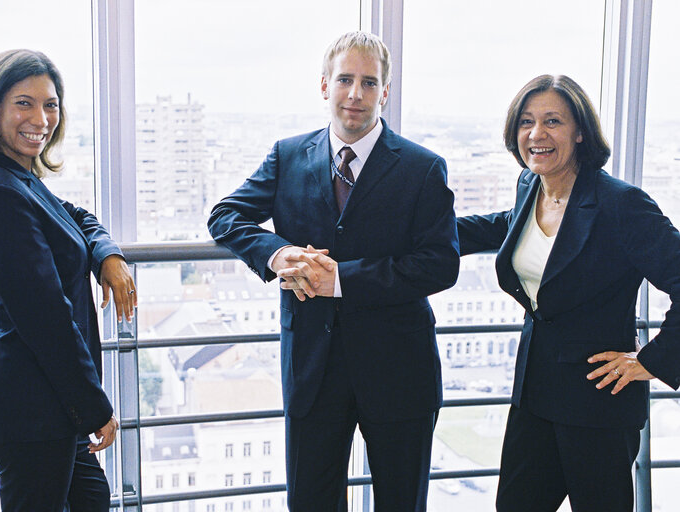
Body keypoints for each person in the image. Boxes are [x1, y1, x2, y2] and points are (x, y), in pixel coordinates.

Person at [208, 31, 459, 511]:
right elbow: (225, 215)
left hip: (398, 369)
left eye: (370, 83)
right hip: (312, 367)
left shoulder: (423, 169)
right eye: (345, 79)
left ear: (385, 92)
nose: (356, 94)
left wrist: (340, 280)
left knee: (401, 502)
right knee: (309, 502)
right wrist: (277, 254)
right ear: (324, 85)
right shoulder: (286, 156)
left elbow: (440, 264)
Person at [457, 74, 680, 511]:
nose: (536, 134)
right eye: (526, 121)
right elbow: (508, 227)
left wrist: (652, 362)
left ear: (580, 132)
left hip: (598, 405)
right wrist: (419, 230)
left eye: (552, 121)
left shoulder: (622, 205)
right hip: (534, 398)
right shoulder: (531, 186)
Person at [0, 49, 137, 511]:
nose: (42, 118)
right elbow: (47, 319)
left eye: (50, 104)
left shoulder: (18, 178)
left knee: (93, 500)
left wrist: (107, 253)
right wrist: (95, 407)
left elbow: (75, 217)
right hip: (29, 407)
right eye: (24, 104)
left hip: (51, 401)